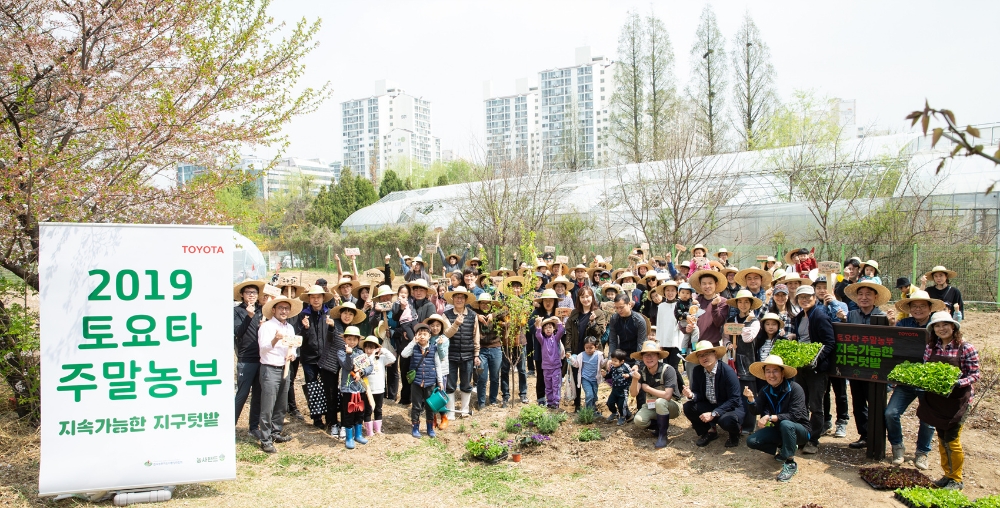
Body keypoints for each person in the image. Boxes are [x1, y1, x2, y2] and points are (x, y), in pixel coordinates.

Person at [917, 311, 980, 490]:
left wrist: (957, 383)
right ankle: (947, 474)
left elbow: (975, 375)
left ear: (953, 326)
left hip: (958, 401)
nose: (941, 328)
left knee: (952, 438)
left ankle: (956, 479)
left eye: (945, 324)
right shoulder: (931, 348)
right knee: (942, 437)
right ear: (933, 329)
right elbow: (926, 370)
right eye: (937, 325)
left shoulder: (966, 348)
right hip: (937, 401)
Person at [886, 289, 945, 468]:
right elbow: (893, 345)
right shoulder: (904, 324)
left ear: (929, 308)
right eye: (914, 306)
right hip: (907, 380)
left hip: (928, 382)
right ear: (910, 308)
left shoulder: (938, 325)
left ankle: (922, 453)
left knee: (928, 419)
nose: (918, 309)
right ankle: (897, 446)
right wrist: (890, 325)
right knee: (891, 413)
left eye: (922, 306)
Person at [744, 355, 810, 483]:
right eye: (768, 371)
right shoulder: (766, 390)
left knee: (786, 424)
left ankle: (790, 462)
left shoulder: (795, 389)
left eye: (775, 371)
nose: (771, 375)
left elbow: (795, 416)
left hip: (800, 431)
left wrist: (770, 417)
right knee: (751, 441)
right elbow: (756, 410)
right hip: (779, 429)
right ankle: (784, 447)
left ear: (782, 373)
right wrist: (751, 399)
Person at [788, 285, 836, 454]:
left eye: (808, 297)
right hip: (802, 367)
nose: (805, 300)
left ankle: (813, 440)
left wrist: (816, 358)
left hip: (816, 369)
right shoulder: (799, 316)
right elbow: (802, 338)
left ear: (815, 298)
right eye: (801, 297)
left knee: (816, 406)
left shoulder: (820, 316)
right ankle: (803, 436)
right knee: (801, 403)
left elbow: (829, 343)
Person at [255, 297, 301, 453]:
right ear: (273, 310)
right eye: (281, 308)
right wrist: (275, 339)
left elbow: (294, 347)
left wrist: (292, 355)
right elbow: (263, 349)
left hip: (285, 368)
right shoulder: (267, 327)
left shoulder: (290, 328)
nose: (284, 311)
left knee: (281, 403)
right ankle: (265, 439)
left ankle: (276, 432)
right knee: (268, 405)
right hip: (270, 368)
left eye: (286, 308)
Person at [682, 340, 744, 448]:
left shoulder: (727, 372)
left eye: (707, 354)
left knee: (727, 421)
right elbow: (698, 393)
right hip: (710, 404)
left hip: (730, 407)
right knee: (688, 407)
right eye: (700, 355)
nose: (704, 358)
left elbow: (734, 399)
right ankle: (709, 431)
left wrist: (714, 413)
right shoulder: (698, 371)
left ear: (715, 354)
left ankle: (735, 433)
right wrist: (691, 395)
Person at [322, 300, 365, 439]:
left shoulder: (353, 330)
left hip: (347, 368)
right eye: (345, 313)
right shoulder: (334, 324)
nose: (347, 316)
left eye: (350, 314)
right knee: (331, 395)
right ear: (340, 314)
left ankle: (346, 425)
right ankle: (333, 423)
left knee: (346, 396)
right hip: (331, 365)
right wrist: (332, 328)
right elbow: (329, 337)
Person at [812, 275, 849, 439]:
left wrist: (832, 304)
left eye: (825, 287)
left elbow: (842, 321)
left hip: (839, 354)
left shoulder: (841, 305)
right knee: (823, 391)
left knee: (840, 391)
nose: (822, 290)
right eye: (818, 288)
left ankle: (842, 421)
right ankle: (826, 420)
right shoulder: (814, 307)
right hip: (822, 356)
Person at [297, 284, 335, 429]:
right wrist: (305, 329)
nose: (316, 300)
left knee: (328, 387)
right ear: (309, 299)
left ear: (323, 298)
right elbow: (299, 339)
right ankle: (317, 417)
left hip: (326, 357)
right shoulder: (303, 315)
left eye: (318, 297)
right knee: (312, 386)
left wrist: (332, 327)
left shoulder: (329, 313)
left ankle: (330, 417)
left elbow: (334, 336)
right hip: (309, 357)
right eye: (313, 297)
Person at [629, 341, 680, 449]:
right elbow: (633, 394)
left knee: (660, 402)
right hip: (653, 405)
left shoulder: (668, 370)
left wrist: (648, 389)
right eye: (646, 355)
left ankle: (663, 435)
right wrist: (635, 379)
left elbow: (667, 395)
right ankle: (661, 426)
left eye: (652, 354)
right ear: (642, 357)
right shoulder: (642, 372)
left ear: (658, 356)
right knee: (639, 420)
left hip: (672, 405)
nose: (649, 358)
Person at [727, 289, 764, 435]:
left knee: (748, 393)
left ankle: (749, 424)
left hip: (748, 362)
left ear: (751, 304)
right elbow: (725, 336)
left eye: (746, 302)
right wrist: (728, 344)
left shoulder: (755, 322)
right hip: (732, 360)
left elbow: (748, 338)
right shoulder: (731, 320)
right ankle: (737, 421)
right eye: (740, 301)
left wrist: (747, 323)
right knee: (734, 392)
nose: (743, 304)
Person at [565, 286, 608, 410]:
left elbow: (599, 333)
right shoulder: (575, 313)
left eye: (588, 296)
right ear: (579, 298)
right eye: (582, 297)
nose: (585, 299)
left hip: (592, 351)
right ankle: (577, 403)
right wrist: (568, 349)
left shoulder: (598, 313)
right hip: (576, 348)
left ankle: (592, 403)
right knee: (576, 374)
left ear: (592, 297)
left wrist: (593, 323)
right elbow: (568, 332)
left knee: (592, 376)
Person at [444, 286, 481, 419]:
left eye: (462, 297)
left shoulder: (472, 315)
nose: (459, 300)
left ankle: (465, 410)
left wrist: (476, 354)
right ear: (452, 299)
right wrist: (456, 324)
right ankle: (450, 412)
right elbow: (446, 334)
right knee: (450, 384)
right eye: (456, 297)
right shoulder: (446, 315)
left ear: (465, 300)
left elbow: (476, 335)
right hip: (450, 354)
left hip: (468, 354)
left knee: (466, 383)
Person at [234, 279, 265, 439]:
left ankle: (254, 427)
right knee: (242, 393)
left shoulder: (261, 310)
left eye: (254, 292)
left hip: (262, 358)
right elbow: (237, 332)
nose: (251, 295)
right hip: (246, 359)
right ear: (242, 295)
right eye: (248, 292)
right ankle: (229, 426)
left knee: (258, 395)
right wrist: (248, 316)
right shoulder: (237, 311)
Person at [401, 323, 443, 439]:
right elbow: (404, 354)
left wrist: (440, 381)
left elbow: (438, 365)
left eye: (425, 334)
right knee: (416, 406)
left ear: (430, 336)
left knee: (430, 406)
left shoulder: (434, 348)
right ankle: (415, 427)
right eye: (420, 334)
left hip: (430, 381)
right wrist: (413, 342)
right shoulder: (413, 347)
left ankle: (430, 428)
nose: (422, 337)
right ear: (416, 336)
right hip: (417, 382)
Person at [337, 326, 373, 449]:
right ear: (345, 339)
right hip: (348, 388)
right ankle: (349, 437)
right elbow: (347, 366)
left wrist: (361, 372)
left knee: (360, 411)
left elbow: (370, 367)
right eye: (349, 339)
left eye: (354, 339)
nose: (352, 342)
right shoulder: (341, 352)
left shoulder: (361, 353)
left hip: (360, 387)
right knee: (348, 412)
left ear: (358, 340)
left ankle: (358, 434)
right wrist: (349, 354)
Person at [472, 293, 502, 410]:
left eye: (487, 303)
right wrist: (477, 315)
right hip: (481, 349)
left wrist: (493, 315)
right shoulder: (475, 314)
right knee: (482, 377)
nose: (485, 305)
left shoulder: (495, 314)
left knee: (495, 376)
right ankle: (481, 402)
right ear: (479, 304)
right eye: (482, 303)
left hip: (495, 348)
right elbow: (466, 309)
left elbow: (506, 309)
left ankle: (493, 399)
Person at [361, 335, 394, 438]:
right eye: (367, 348)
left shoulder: (381, 359)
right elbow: (367, 364)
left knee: (378, 409)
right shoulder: (363, 358)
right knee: (368, 410)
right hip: (368, 389)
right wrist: (372, 355)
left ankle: (378, 429)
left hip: (379, 389)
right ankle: (369, 431)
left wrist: (383, 350)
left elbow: (392, 358)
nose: (369, 350)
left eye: (371, 348)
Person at [424, 314, 451, 429]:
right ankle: (433, 418)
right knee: (430, 394)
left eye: (438, 326)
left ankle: (444, 417)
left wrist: (439, 346)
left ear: (441, 327)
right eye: (432, 325)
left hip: (442, 370)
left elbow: (442, 356)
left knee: (440, 393)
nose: (435, 328)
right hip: (429, 370)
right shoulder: (427, 338)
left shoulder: (444, 339)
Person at [607, 293, 648, 364]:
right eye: (616, 308)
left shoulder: (639, 320)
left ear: (629, 304)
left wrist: (638, 363)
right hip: (621, 353)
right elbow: (613, 340)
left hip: (637, 352)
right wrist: (611, 358)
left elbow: (641, 342)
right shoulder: (614, 319)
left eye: (621, 307)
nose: (619, 310)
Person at [691, 270, 729, 347]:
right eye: (704, 283)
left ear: (716, 284)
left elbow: (719, 322)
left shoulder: (723, 302)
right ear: (700, 285)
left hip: (712, 345)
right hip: (694, 345)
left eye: (710, 283)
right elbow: (685, 321)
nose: (707, 286)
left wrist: (714, 306)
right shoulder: (695, 301)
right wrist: (685, 328)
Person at [535, 316, 566, 409]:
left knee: (556, 385)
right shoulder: (543, 341)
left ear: (553, 329)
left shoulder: (556, 339)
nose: (548, 329)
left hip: (556, 367)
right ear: (543, 330)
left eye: (550, 327)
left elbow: (561, 331)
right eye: (545, 328)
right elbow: (538, 335)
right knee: (548, 386)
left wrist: (558, 321)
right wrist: (538, 325)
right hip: (546, 368)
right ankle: (550, 401)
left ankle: (556, 402)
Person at [570, 336, 605, 413]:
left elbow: (602, 364)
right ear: (584, 347)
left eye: (591, 348)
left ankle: (593, 408)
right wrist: (571, 359)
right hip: (585, 379)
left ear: (596, 347)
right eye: (587, 348)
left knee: (594, 396)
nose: (588, 350)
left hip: (595, 379)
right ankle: (588, 411)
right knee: (589, 395)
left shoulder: (599, 355)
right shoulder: (581, 355)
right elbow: (576, 365)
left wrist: (607, 360)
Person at [604, 349, 632, 425]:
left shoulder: (626, 367)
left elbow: (633, 373)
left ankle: (623, 417)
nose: (613, 362)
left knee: (621, 405)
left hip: (623, 390)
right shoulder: (613, 367)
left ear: (622, 361)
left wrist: (629, 375)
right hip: (614, 389)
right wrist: (605, 375)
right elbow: (609, 375)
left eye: (615, 361)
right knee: (610, 403)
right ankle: (614, 413)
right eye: (612, 360)